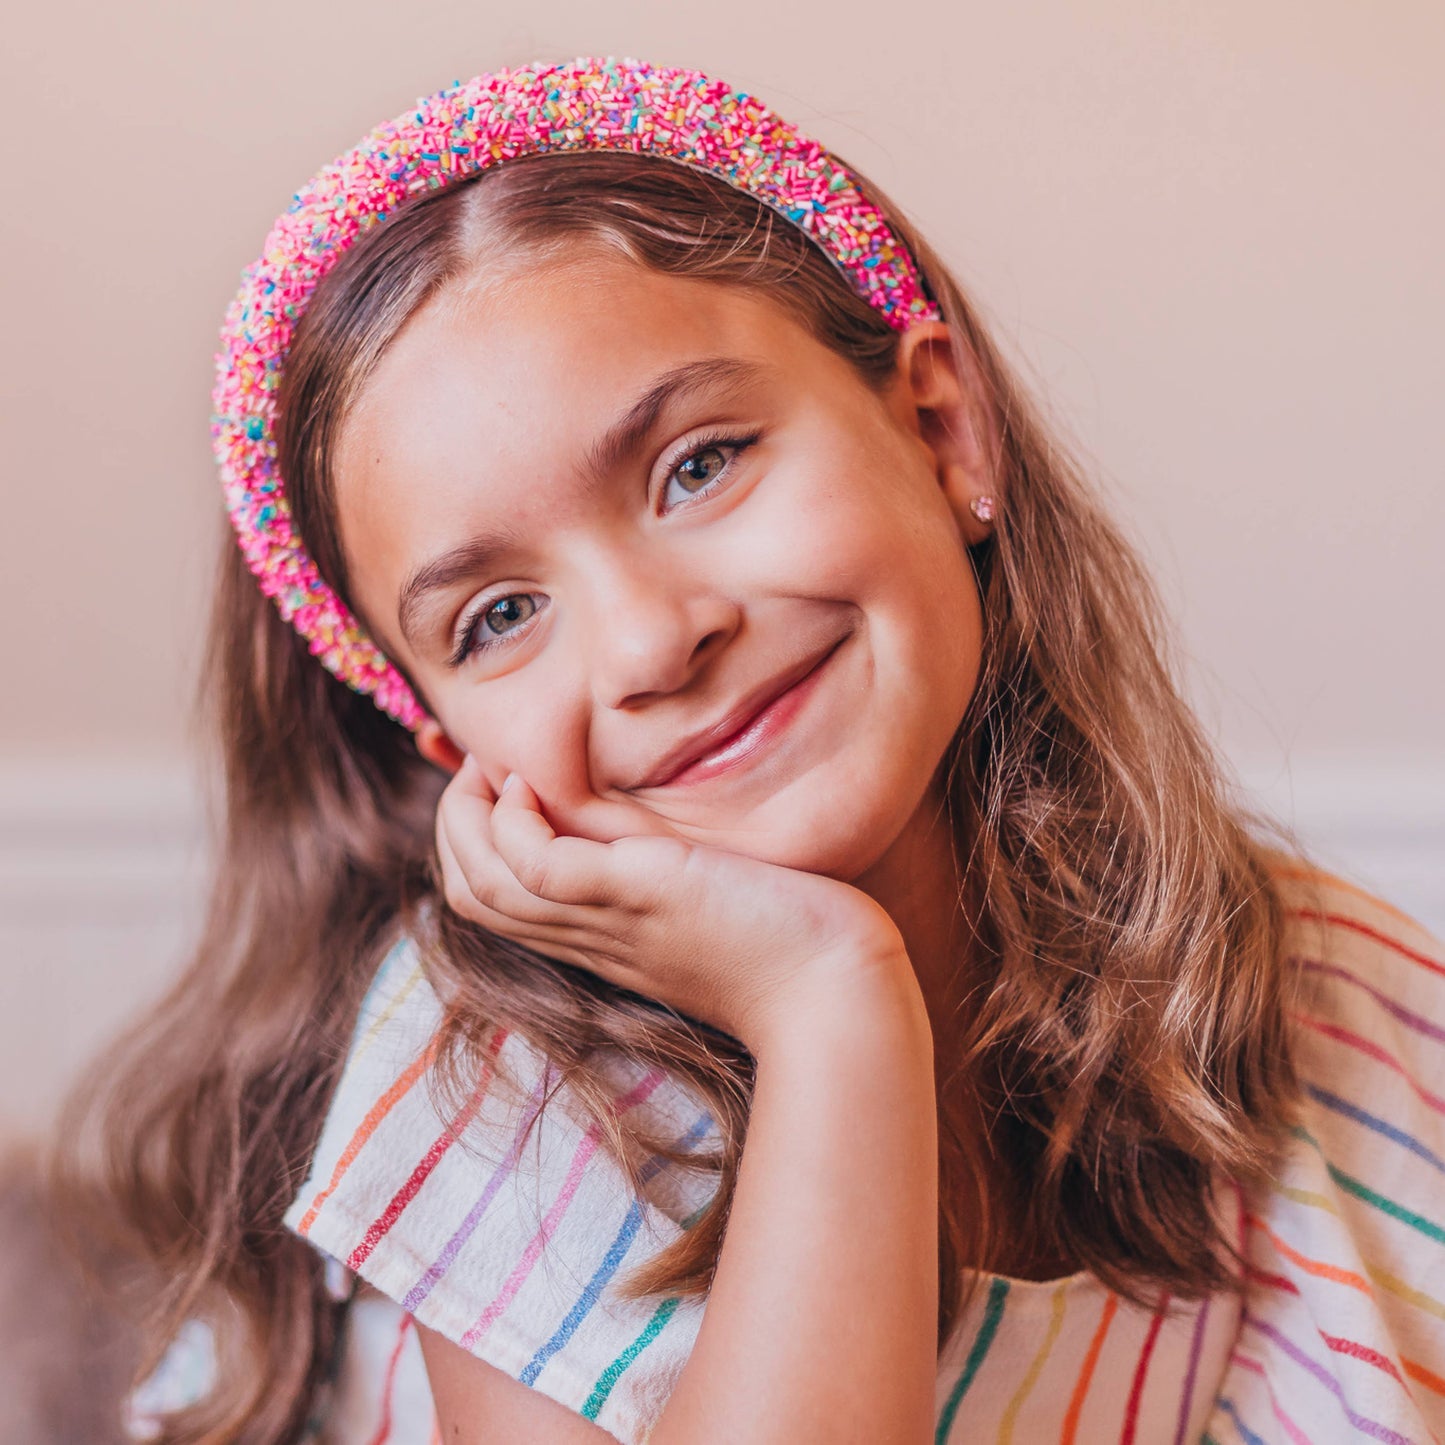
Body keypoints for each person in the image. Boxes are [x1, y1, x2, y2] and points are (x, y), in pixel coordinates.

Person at [53, 54, 1445, 1445]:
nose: (656, 642)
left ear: (941, 429)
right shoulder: (497, 1082)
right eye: (501, 615)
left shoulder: (1333, 1007)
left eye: (698, 464)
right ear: (444, 739)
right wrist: (827, 1004)